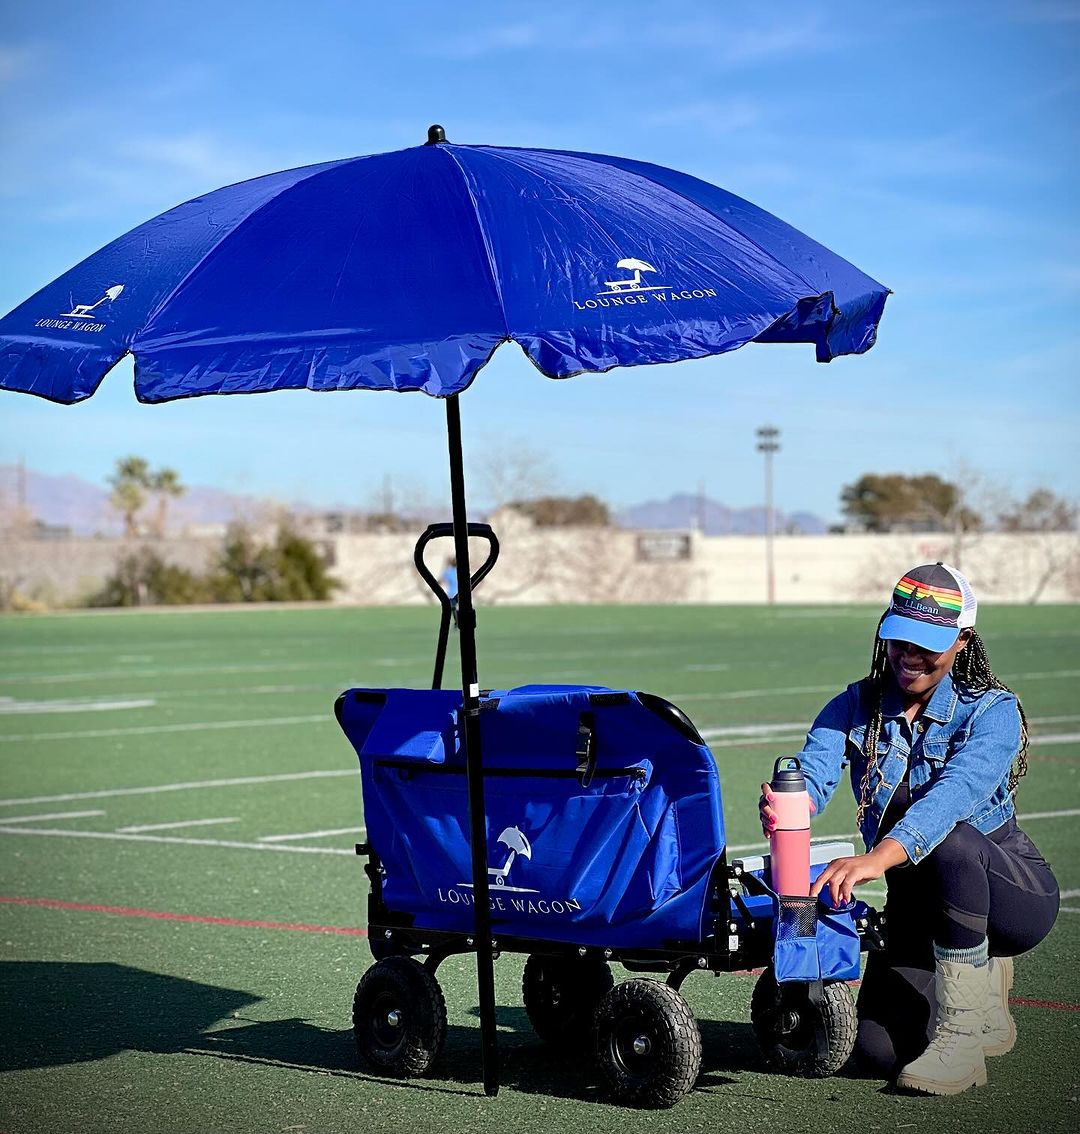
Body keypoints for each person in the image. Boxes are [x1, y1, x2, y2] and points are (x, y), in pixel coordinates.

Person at [759, 562, 1059, 1096]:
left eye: (927, 645)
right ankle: (970, 984)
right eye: (900, 640)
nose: (909, 656)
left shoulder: (993, 711)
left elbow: (952, 798)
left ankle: (965, 1034)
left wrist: (874, 860)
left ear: (963, 641)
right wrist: (790, 805)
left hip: (1009, 895)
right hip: (918, 901)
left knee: (952, 839)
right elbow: (816, 773)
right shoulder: (853, 705)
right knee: (877, 1051)